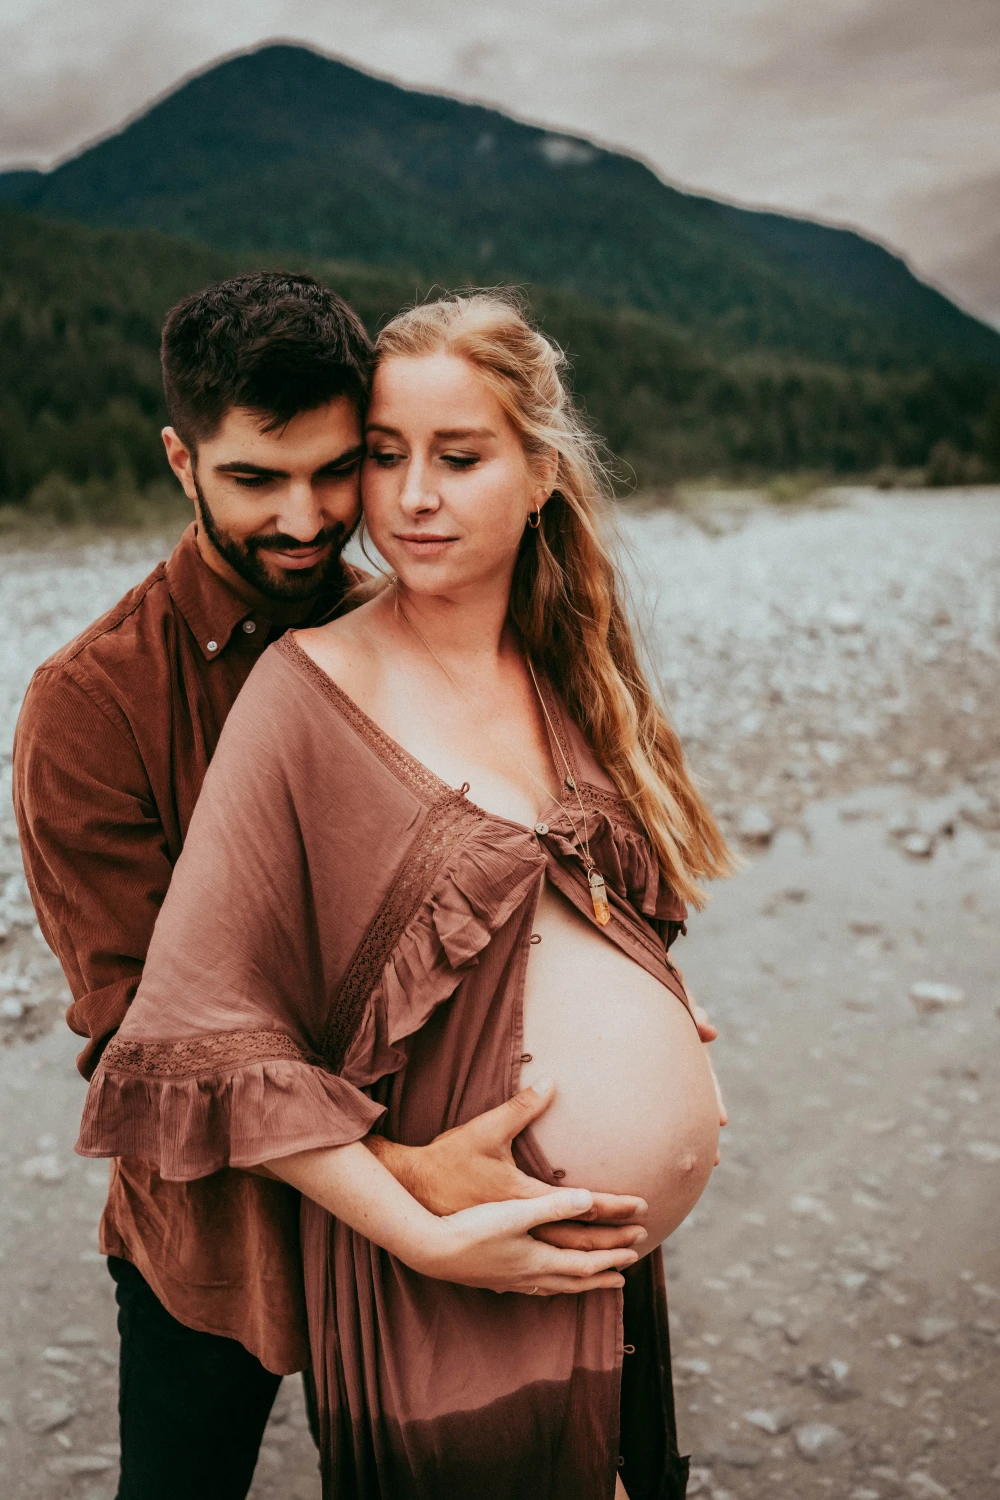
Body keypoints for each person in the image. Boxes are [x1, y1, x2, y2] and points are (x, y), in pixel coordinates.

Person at [77, 291, 731, 1499]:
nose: (345, 508)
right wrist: (407, 1197)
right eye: (387, 459)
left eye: (343, 468)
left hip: (553, 1232)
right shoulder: (154, 696)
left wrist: (648, 1004)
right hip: (304, 1226)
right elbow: (158, 1022)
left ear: (541, 472)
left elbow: (568, 888)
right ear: (183, 462)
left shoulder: (544, 651)